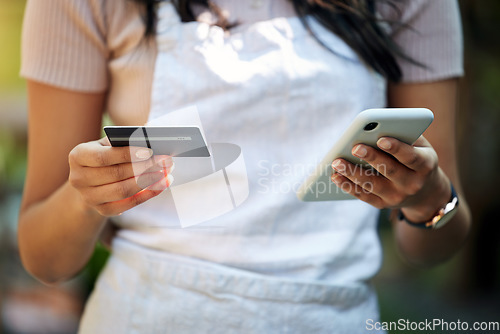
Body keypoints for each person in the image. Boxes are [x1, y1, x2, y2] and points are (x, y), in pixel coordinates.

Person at [19, 0, 471, 332]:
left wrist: (429, 198)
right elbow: (45, 257)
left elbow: (437, 242)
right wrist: (86, 199)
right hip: (148, 316)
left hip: (336, 319)